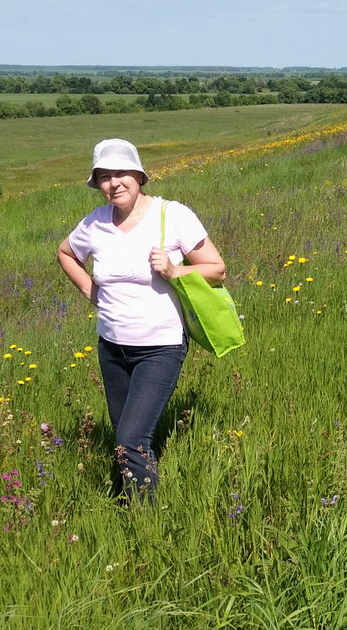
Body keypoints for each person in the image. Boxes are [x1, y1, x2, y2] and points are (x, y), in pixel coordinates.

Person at [56, 138, 226, 501]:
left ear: (139, 175)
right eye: (104, 176)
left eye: (121, 173)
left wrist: (175, 270)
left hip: (160, 346)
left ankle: (146, 521)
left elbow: (217, 270)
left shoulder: (173, 215)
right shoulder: (95, 223)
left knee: (131, 439)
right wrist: (91, 292)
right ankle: (125, 501)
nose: (113, 183)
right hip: (112, 346)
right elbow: (65, 253)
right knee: (125, 438)